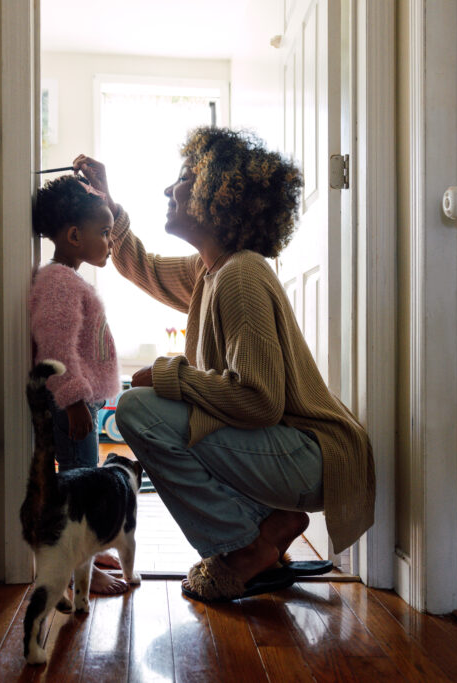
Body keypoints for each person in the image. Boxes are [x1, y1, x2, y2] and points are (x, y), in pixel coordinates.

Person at [72, 127, 375, 602]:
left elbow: (259, 401)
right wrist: (109, 205)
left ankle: (248, 548)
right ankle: (270, 526)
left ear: (220, 193)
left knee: (136, 410)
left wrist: (171, 376)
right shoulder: (209, 271)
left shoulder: (241, 275)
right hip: (296, 454)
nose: (169, 190)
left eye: (184, 180)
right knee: (160, 413)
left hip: (314, 457)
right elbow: (143, 266)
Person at [28, 174, 130, 595]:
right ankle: (72, 571)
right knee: (78, 487)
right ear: (74, 235)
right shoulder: (58, 283)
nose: (110, 241)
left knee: (84, 482)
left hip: (81, 403)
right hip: (71, 404)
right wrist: (71, 401)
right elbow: (55, 346)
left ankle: (86, 553)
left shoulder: (68, 279)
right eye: (104, 233)